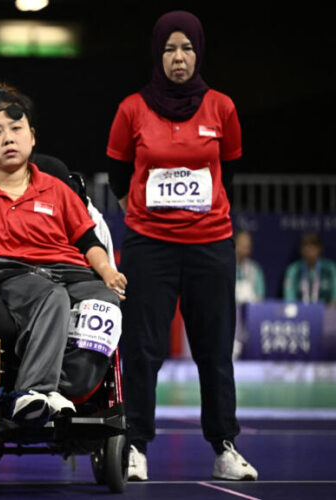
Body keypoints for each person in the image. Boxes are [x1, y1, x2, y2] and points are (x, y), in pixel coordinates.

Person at [105, 11, 257, 481]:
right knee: (143, 348)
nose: (178, 58)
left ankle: (224, 446)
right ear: (158, 53)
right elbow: (116, 175)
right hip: (150, 246)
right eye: (170, 49)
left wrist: (202, 214)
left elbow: (226, 170)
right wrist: (148, 213)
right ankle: (136, 447)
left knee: (214, 349)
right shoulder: (132, 108)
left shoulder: (222, 108)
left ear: (198, 52)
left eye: (186, 48)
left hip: (211, 244)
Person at [0, 82, 127, 424]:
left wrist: (107, 272)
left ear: (32, 137)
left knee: (106, 304)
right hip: (10, 274)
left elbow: (88, 242)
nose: (8, 138)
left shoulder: (57, 189)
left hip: (70, 271)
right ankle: (34, 391)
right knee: (52, 297)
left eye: (16, 129)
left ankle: (68, 390)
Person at [283, 232, 336, 307]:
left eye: (313, 245)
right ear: (301, 249)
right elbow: (289, 299)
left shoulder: (330, 269)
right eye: (306, 246)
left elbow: (335, 298)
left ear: (319, 248)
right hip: (301, 314)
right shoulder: (294, 270)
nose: (309, 249)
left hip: (327, 314)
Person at [235, 230, 266, 304]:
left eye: (248, 243)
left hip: (250, 312)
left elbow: (260, 297)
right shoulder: (223, 268)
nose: (247, 245)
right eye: (243, 242)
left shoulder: (255, 269)